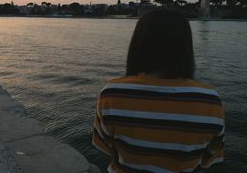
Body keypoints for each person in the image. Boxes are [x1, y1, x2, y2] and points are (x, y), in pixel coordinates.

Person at [92, 9, 224, 173]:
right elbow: (208, 159)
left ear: (139, 43)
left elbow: (107, 147)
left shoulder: (113, 93)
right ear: (185, 46)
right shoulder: (209, 100)